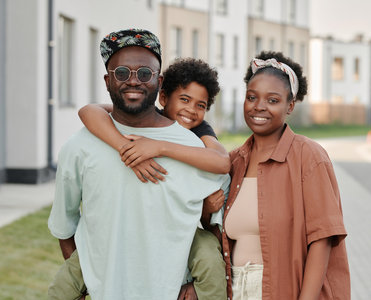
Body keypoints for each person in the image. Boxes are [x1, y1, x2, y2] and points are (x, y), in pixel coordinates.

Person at [47, 29, 229, 300]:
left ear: (159, 80)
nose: (133, 81)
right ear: (108, 81)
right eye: (121, 73)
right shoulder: (80, 146)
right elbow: (65, 227)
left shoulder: (192, 148)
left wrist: (199, 288)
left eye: (144, 73)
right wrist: (88, 282)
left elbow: (216, 227)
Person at [221, 51, 350, 300]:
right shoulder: (233, 161)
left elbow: (321, 240)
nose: (259, 106)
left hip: (282, 291)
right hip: (235, 289)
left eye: (272, 100)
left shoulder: (309, 157)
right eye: (252, 97)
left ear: (290, 105)